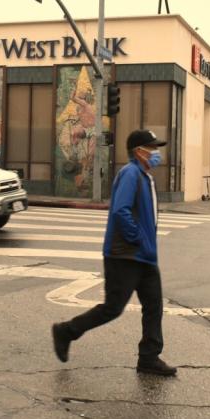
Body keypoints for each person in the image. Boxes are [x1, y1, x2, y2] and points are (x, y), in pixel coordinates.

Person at [52, 129, 177, 376]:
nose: (155, 153)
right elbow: (120, 211)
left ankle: (149, 358)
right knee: (113, 308)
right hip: (125, 255)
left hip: (145, 257)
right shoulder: (131, 173)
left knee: (153, 306)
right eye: (151, 148)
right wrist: (138, 238)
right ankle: (66, 331)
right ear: (138, 151)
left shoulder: (145, 176)